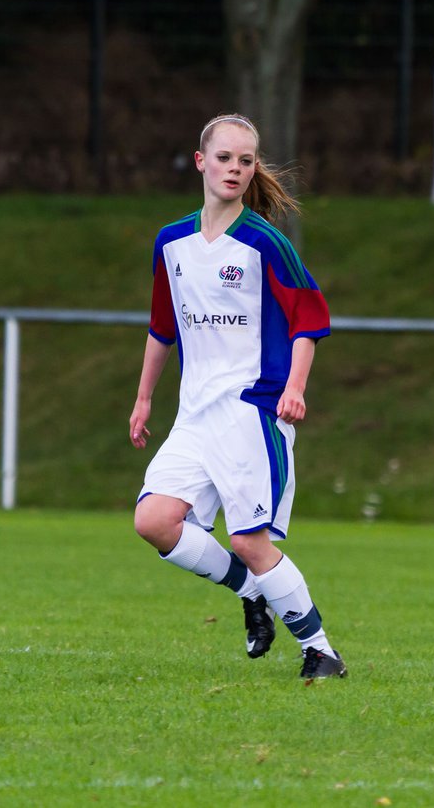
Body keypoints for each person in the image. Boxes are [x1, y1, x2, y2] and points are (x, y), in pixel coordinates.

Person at [128, 113, 346, 680]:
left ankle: (320, 650)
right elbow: (162, 327)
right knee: (153, 520)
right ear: (201, 161)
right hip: (195, 415)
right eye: (225, 158)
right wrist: (144, 398)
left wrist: (295, 387)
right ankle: (251, 591)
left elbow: (309, 319)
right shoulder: (171, 242)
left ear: (253, 171)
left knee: (249, 539)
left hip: (252, 412)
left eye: (245, 161)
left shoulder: (265, 243)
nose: (235, 168)